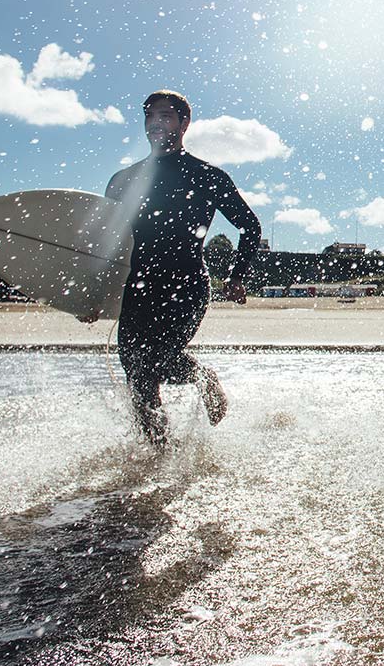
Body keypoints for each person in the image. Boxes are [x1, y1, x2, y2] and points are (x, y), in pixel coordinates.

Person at [99, 90, 262, 444]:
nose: (156, 123)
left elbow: (250, 226)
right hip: (138, 287)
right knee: (136, 373)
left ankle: (203, 378)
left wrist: (236, 277)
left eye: (165, 116)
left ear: (184, 123)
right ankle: (157, 453)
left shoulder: (206, 175)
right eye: (150, 116)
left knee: (158, 359)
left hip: (186, 285)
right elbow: (105, 245)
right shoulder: (123, 180)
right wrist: (92, 298)